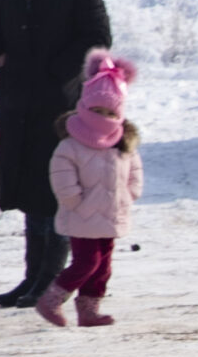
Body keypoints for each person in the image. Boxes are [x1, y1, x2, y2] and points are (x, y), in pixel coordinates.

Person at [0, 0, 111, 308]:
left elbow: (98, 38)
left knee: (56, 193)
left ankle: (51, 279)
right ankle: (33, 276)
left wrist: (56, 73)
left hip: (61, 106)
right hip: (18, 104)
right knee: (31, 191)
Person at [35, 50, 142, 328]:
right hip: (81, 214)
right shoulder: (72, 143)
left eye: (110, 112)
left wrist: (131, 192)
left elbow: (134, 168)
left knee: (104, 266)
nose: (103, 117)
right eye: (97, 110)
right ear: (84, 107)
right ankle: (51, 299)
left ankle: (89, 309)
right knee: (87, 262)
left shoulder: (121, 142)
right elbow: (61, 172)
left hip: (111, 213)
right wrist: (73, 199)